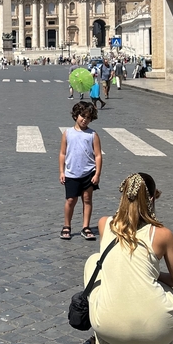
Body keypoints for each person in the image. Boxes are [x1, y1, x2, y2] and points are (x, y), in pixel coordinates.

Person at [85, 172, 173, 344]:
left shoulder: (105, 224)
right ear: (151, 199)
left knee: (93, 263)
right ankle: (152, 341)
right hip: (159, 333)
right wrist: (155, 276)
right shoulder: (162, 234)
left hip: (109, 328)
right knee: (161, 284)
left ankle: (103, 341)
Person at [58, 102, 102, 241]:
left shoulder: (93, 135)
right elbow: (62, 153)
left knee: (87, 200)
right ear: (76, 115)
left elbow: (98, 155)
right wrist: (61, 171)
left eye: (88, 117)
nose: (84, 119)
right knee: (70, 200)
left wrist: (97, 174)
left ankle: (85, 226)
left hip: (88, 173)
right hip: (71, 173)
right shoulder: (67, 133)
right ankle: (67, 225)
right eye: (82, 116)